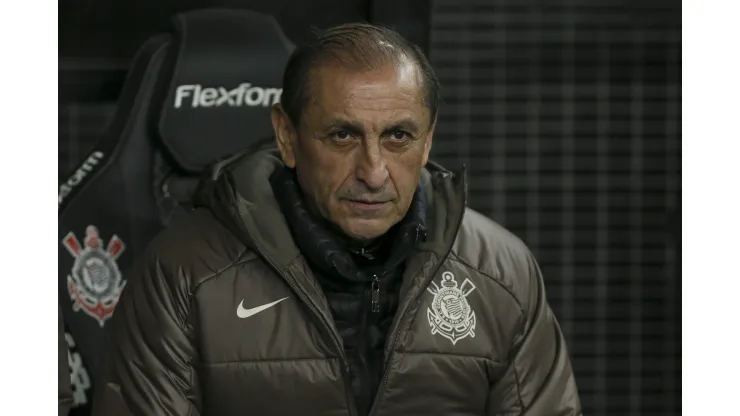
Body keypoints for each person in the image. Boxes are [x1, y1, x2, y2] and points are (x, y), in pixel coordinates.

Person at [93, 23, 581, 416]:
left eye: (398, 137)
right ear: (287, 136)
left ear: (428, 141)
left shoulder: (502, 272)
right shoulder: (185, 271)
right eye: (343, 136)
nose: (372, 172)